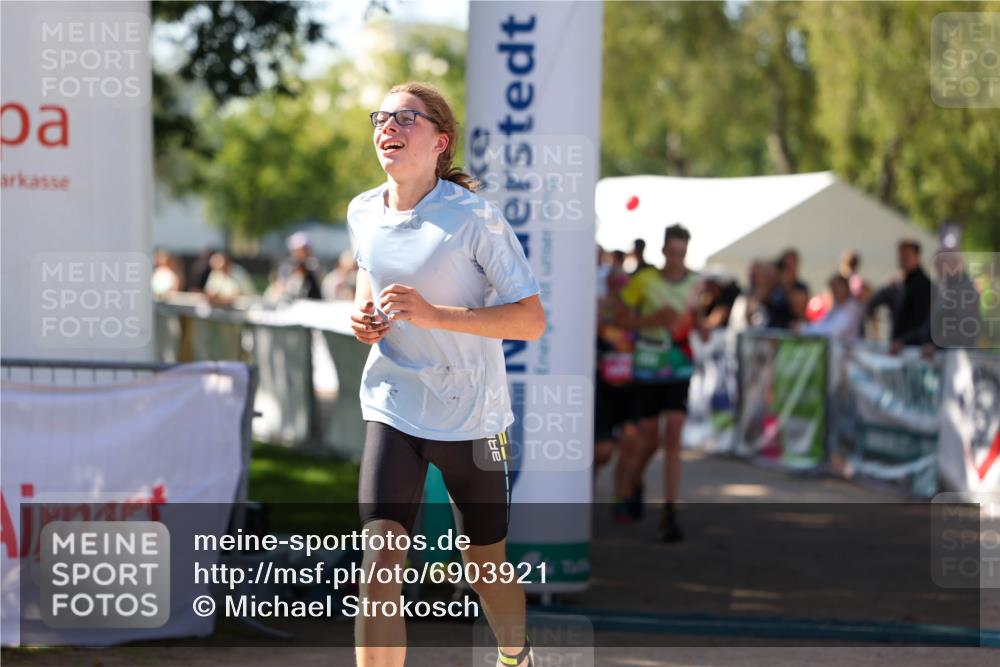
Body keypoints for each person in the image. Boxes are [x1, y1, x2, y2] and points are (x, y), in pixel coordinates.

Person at [348, 82, 545, 667]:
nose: (391, 125)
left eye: (407, 117)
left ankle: (516, 655)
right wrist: (363, 318)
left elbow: (531, 321)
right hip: (394, 401)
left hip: (473, 416)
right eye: (383, 115)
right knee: (380, 562)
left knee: (484, 566)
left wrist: (435, 315)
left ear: (440, 141)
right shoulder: (363, 210)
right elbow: (369, 281)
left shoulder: (473, 217)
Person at [614, 223, 700, 542]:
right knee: (649, 440)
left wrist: (702, 325)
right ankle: (634, 481)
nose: (677, 259)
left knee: (673, 436)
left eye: (683, 253)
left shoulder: (696, 283)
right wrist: (652, 321)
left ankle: (670, 510)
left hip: (679, 365)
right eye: (673, 253)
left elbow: (701, 322)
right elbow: (619, 318)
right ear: (663, 251)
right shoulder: (645, 281)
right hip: (648, 367)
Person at [890, 239, 932, 352]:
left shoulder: (922, 284)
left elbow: (922, 321)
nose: (903, 259)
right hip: (900, 347)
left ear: (917, 256)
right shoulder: (901, 283)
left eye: (907, 255)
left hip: (913, 349)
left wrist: (904, 340)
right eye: (902, 255)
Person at [800, 274, 865, 341]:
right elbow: (822, 323)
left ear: (846, 288)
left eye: (837, 288)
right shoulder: (836, 306)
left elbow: (833, 331)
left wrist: (804, 329)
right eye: (832, 289)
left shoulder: (853, 308)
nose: (834, 292)